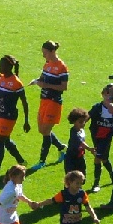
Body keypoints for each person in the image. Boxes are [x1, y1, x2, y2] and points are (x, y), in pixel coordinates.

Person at [29, 40, 69, 170]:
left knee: (46, 131)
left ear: (52, 51)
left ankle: (42, 161)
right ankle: (61, 147)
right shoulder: (47, 64)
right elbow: (42, 78)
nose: (43, 56)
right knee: (42, 130)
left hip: (54, 102)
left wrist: (46, 85)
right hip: (44, 100)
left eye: (45, 53)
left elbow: (64, 87)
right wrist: (36, 81)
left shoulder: (62, 67)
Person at [87, 84, 113, 193]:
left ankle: (96, 183)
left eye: (111, 93)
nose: (109, 96)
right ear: (103, 94)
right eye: (107, 93)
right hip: (96, 136)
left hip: (106, 138)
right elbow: (87, 116)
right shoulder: (97, 107)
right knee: (104, 158)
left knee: (97, 157)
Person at [63, 108, 94, 175]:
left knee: (82, 178)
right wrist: (90, 149)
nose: (83, 123)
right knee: (71, 180)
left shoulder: (82, 130)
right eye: (80, 122)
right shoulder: (73, 131)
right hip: (71, 159)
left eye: (84, 121)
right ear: (74, 121)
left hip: (80, 157)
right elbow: (81, 143)